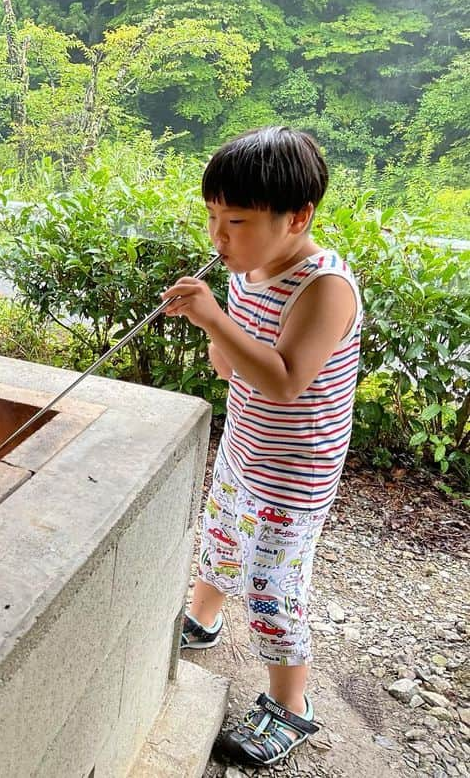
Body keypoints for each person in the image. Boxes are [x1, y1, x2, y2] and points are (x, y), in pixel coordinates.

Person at [162, 126, 362, 767]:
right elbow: (232, 367)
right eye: (214, 218)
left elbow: (283, 379)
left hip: (294, 473)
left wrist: (215, 320)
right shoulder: (249, 269)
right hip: (246, 445)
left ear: (297, 217)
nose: (219, 238)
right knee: (220, 537)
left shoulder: (324, 288)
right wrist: (218, 328)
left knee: (273, 585)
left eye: (237, 221)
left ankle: (292, 707)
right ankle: (203, 616)